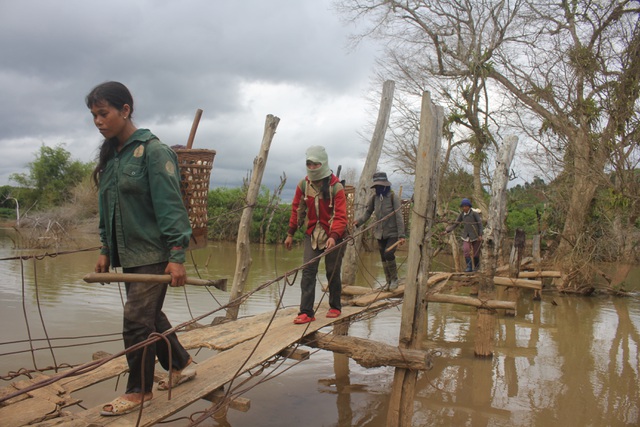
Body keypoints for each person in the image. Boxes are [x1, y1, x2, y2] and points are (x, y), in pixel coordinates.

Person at [87, 81, 196, 416]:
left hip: (153, 252)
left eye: (103, 113)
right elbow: (108, 206)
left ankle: (139, 391)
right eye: (93, 116)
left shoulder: (153, 151)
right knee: (149, 315)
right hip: (129, 254)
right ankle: (181, 363)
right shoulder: (113, 156)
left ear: (125, 110)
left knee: (136, 320)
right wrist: (106, 248)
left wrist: (177, 256)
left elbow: (170, 207)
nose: (98, 122)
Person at [284, 146, 348, 324]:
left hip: (334, 235)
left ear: (323, 164)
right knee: (308, 271)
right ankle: (306, 312)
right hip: (312, 234)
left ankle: (335, 306)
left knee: (332, 272)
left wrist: (334, 236)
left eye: (316, 164)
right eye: (309, 164)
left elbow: (340, 216)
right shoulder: (303, 185)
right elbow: (297, 209)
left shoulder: (337, 187)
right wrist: (290, 233)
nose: (312, 167)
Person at [354, 172, 406, 290]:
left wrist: (401, 235)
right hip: (380, 233)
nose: (377, 188)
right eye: (376, 186)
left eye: (379, 186)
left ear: (385, 186)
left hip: (393, 233)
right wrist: (359, 222)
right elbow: (368, 212)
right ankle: (388, 282)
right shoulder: (374, 198)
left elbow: (399, 216)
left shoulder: (394, 197)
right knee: (383, 256)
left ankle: (394, 280)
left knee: (389, 254)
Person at [443, 198, 483, 272]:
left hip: (475, 235)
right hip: (466, 235)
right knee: (466, 250)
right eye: (463, 206)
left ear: (469, 206)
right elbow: (456, 224)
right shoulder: (462, 215)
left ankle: (477, 268)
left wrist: (480, 235)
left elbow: (480, 224)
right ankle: (469, 267)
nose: (464, 208)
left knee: (476, 253)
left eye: (466, 206)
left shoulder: (474, 214)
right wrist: (447, 231)